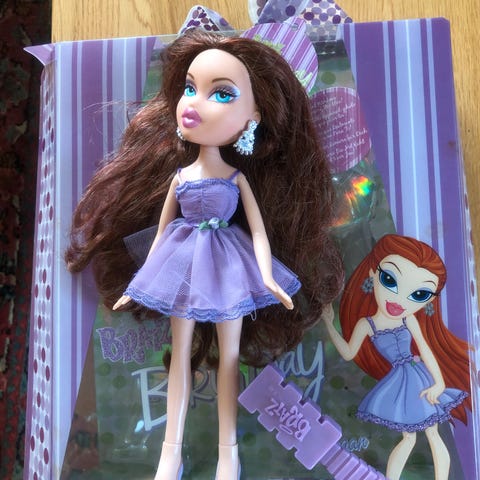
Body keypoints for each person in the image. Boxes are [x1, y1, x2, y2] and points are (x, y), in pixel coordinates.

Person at [66, 29, 344, 479]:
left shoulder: (236, 177)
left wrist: (268, 278)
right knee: (179, 356)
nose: (194, 102)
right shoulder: (179, 177)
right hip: (182, 265)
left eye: (222, 93)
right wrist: (138, 286)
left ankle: (227, 453)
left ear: (253, 116)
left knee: (228, 359)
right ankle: (170, 452)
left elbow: (257, 232)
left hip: (231, 266)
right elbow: (160, 237)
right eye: (190, 87)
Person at [323, 234, 470, 480]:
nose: (399, 300)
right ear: (373, 273)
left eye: (419, 294)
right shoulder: (367, 324)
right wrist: (329, 325)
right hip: (399, 382)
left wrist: (439, 382)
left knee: (433, 433)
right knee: (409, 437)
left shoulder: (407, 318)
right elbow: (348, 353)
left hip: (419, 377)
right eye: (389, 280)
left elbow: (425, 348)